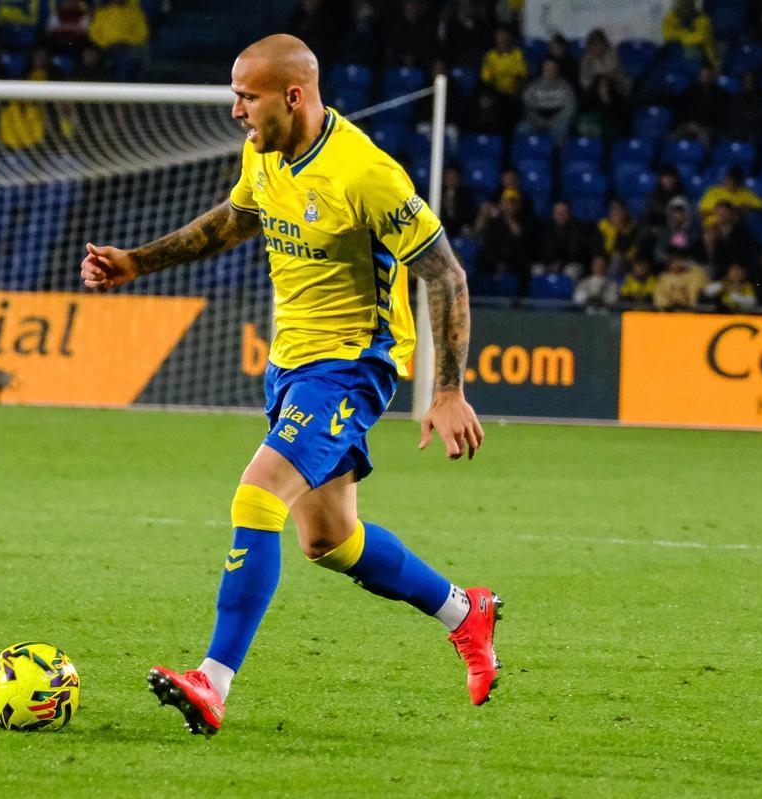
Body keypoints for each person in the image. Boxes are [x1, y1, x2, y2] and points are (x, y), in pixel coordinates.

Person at [79, 35, 500, 737]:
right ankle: (466, 611)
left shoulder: (365, 174)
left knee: (257, 493)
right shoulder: (265, 154)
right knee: (330, 540)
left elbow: (444, 273)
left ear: (293, 96)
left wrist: (449, 389)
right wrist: (136, 263)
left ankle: (212, 681)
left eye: (247, 95)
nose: (236, 109)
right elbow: (236, 219)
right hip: (291, 364)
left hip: (349, 364)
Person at [518, 57, 576, 144]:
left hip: (558, 118)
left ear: (557, 69)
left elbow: (570, 107)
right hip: (536, 118)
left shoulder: (565, 86)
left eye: (552, 68)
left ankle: (556, 156)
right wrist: (539, 120)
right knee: (522, 128)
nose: (549, 71)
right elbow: (527, 107)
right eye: (547, 68)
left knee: (562, 128)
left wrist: (553, 121)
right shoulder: (533, 86)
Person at [698, 166, 762, 225]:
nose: (729, 183)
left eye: (733, 181)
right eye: (728, 180)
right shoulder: (713, 191)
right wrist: (722, 212)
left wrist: (747, 209)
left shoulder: (745, 192)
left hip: (734, 229)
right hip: (712, 228)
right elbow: (702, 213)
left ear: (739, 183)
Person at [662, 0, 716, 65]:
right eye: (682, 3)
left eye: (688, 3)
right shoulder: (671, 18)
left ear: (693, 3)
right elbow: (668, 36)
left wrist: (679, 34)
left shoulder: (703, 19)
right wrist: (686, 35)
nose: (685, 3)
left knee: (691, 49)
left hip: (702, 60)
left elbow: (699, 39)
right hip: (678, 59)